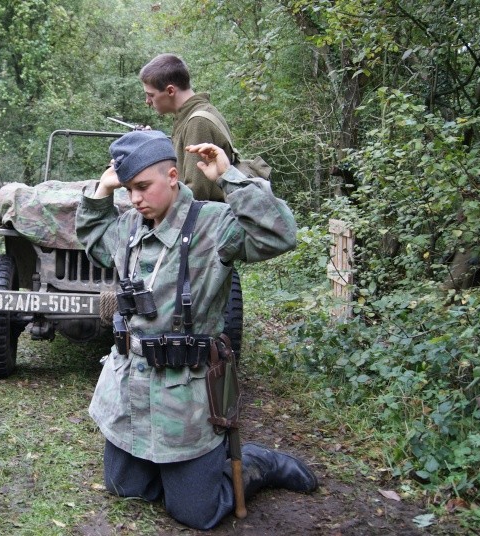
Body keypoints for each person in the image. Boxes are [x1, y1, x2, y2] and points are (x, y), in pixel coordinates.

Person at [76, 130, 317, 530]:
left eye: (143, 187)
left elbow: (280, 234)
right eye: (129, 189)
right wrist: (102, 190)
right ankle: (174, 473)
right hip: (131, 390)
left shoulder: (213, 225)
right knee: (124, 487)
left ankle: (255, 462)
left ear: (173, 176)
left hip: (185, 397)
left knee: (195, 513)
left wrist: (230, 178)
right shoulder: (130, 227)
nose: (134, 199)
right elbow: (95, 241)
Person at [139, 53, 234, 202]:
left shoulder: (197, 122)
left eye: (151, 95)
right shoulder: (189, 116)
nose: (147, 101)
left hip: (205, 221)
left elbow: (195, 193)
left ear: (170, 91)